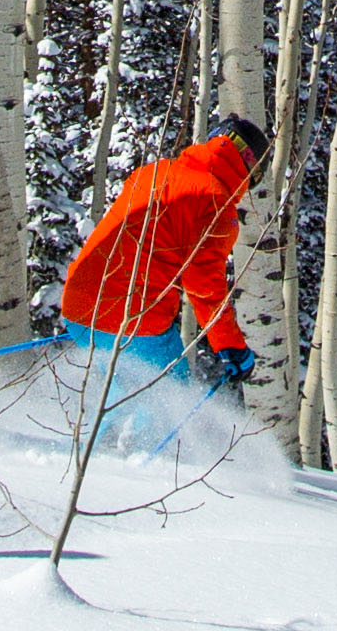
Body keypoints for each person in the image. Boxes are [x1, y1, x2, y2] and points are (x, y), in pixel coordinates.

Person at [51, 121, 264, 426]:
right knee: (170, 408)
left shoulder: (155, 171)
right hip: (134, 317)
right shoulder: (216, 202)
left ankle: (96, 458)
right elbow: (204, 286)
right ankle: (152, 465)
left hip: (79, 303)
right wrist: (230, 346)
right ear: (249, 170)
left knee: (118, 403)